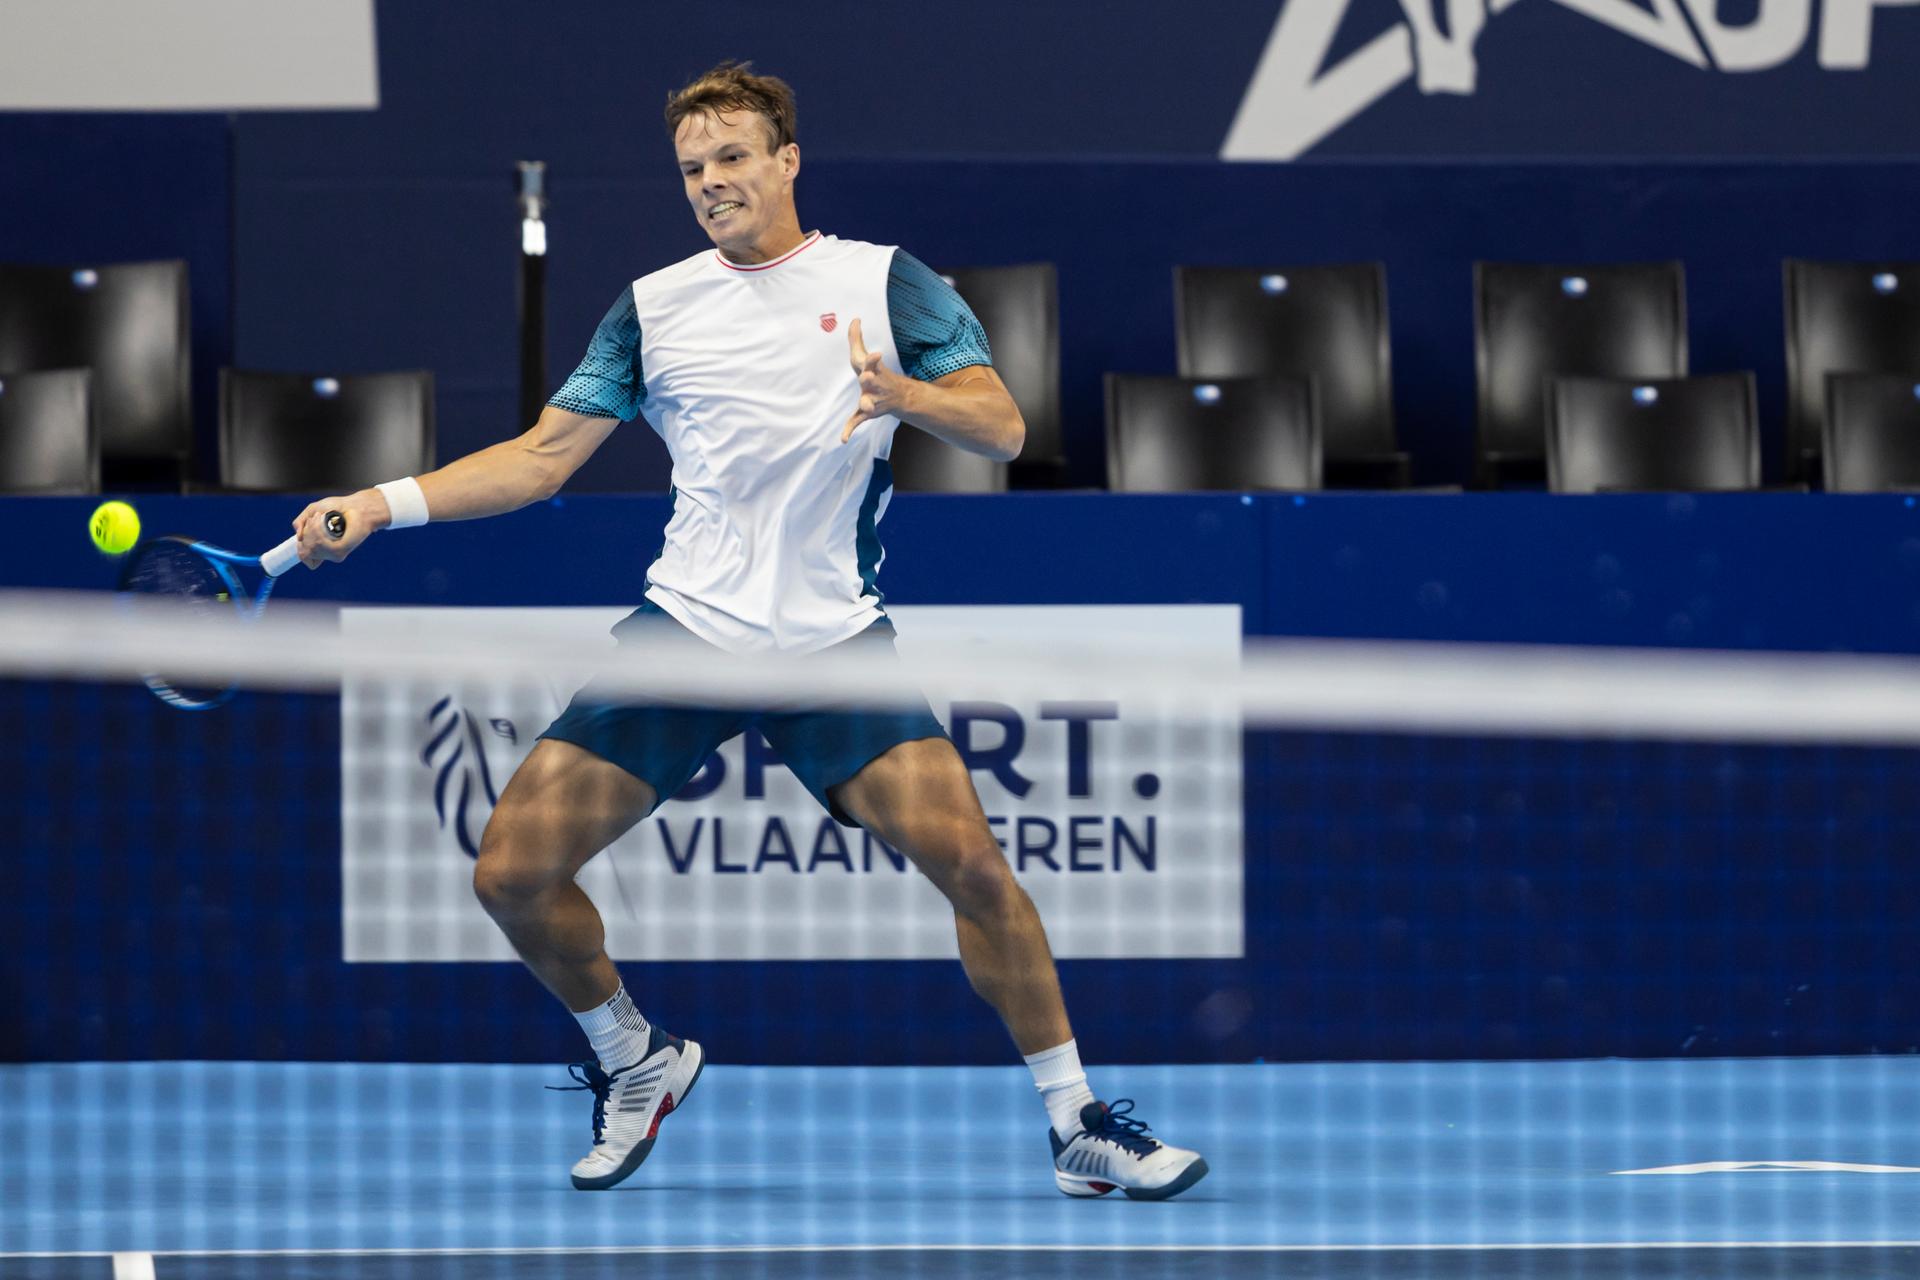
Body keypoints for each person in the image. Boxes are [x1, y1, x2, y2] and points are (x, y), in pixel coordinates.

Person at [291, 60, 1207, 1201]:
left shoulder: (886, 283)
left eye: (732, 157)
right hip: (687, 633)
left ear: (787, 160)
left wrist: (907, 396)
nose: (711, 182)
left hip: (833, 647)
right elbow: (540, 458)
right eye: (692, 169)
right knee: (512, 873)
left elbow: (1003, 425)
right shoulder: (654, 307)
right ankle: (635, 1056)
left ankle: (1077, 1121)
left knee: (975, 866)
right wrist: (384, 502)